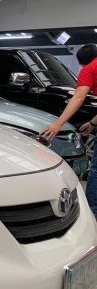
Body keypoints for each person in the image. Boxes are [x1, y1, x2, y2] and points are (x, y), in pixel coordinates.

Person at [41, 44, 97, 217]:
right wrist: (93, 124)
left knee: (96, 170)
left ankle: (92, 213)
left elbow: (79, 97)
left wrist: (58, 124)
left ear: (81, 63)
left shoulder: (89, 69)